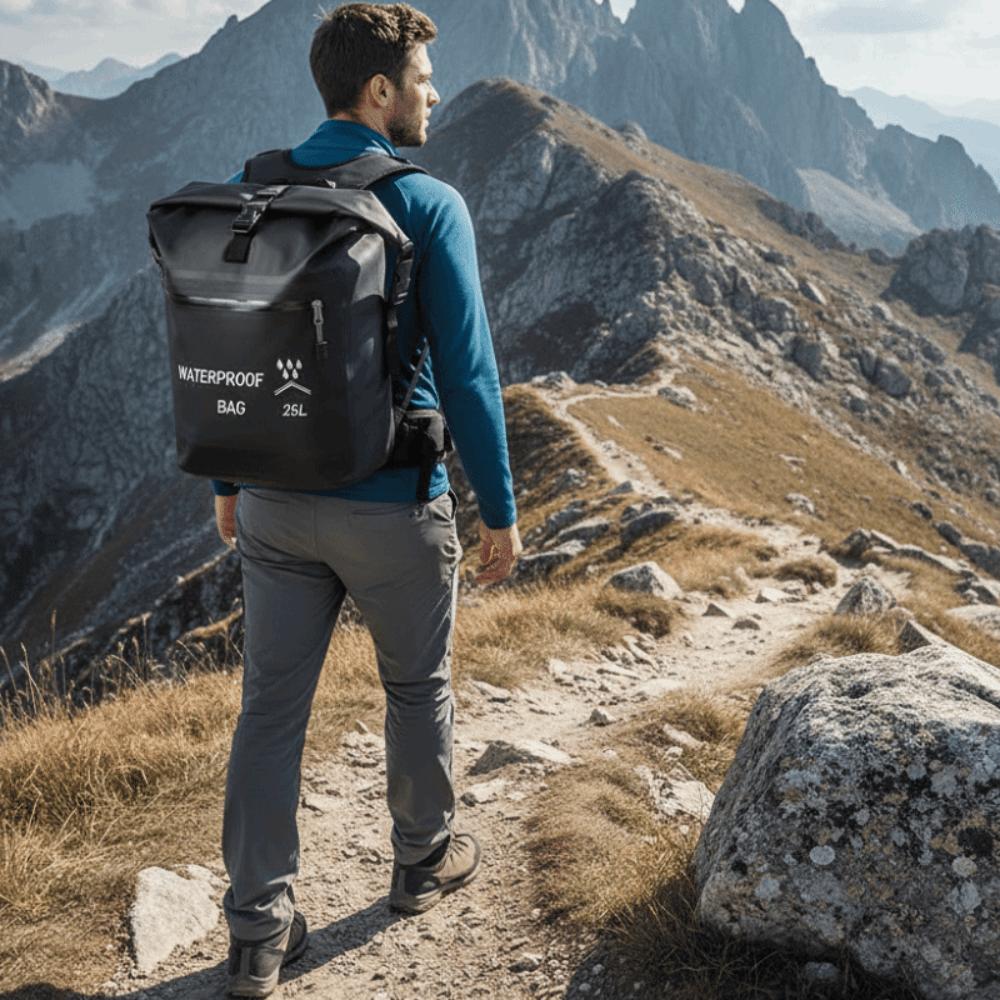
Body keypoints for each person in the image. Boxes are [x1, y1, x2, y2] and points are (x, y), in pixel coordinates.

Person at [214, 4, 523, 995]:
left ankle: (259, 931)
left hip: (270, 496)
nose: (435, 92)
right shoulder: (427, 202)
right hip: (392, 502)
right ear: (379, 91)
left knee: (268, 711)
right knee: (416, 687)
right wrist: (499, 509)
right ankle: (422, 860)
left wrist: (227, 480)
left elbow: (226, 343)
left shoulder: (248, 187)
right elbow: (470, 376)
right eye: (425, 78)